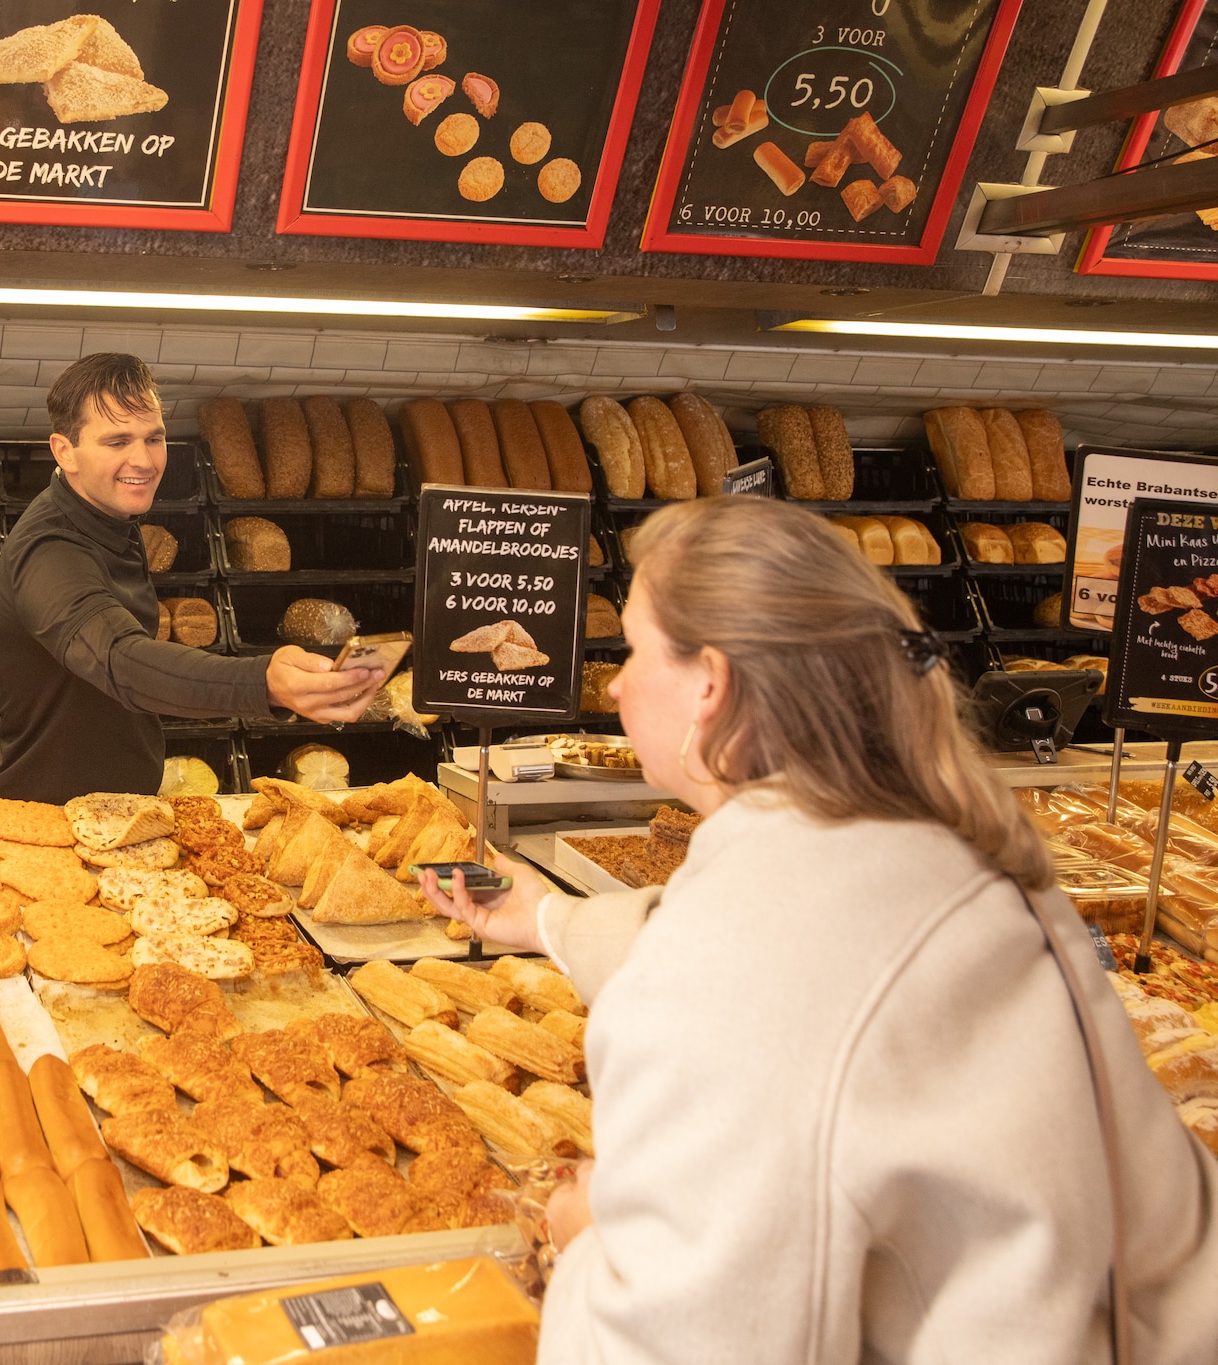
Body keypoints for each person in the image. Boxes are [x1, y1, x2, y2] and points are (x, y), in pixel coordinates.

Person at [423, 497, 1218, 1362]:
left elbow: (689, 1341)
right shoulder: (949, 852)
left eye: (636, 649)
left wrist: (585, 1239)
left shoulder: (735, 961)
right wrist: (542, 918)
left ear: (711, 684)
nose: (613, 683)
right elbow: (806, 980)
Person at [0, 353, 385, 802]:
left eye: (154, 438)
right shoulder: (50, 549)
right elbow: (120, 660)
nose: (145, 460)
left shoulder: (110, 519)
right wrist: (262, 683)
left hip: (112, 809)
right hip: (41, 822)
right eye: (117, 442)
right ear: (64, 451)